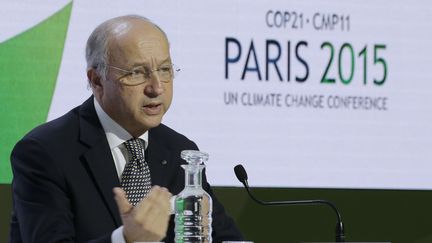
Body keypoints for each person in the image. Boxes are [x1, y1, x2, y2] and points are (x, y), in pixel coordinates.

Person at [9, 15, 243, 243]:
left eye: (164, 70)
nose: (156, 88)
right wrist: (126, 239)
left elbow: (225, 238)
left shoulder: (178, 150)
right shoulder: (45, 152)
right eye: (137, 73)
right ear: (97, 80)